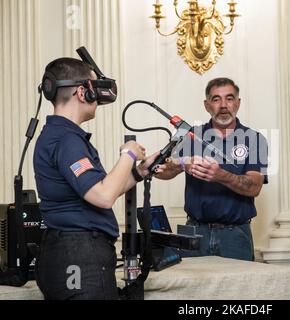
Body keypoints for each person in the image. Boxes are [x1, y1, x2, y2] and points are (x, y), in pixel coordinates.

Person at [33, 57, 157, 300]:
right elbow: (103, 197)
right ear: (83, 92)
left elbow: (97, 190)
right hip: (78, 254)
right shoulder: (67, 140)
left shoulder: (59, 135)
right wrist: (128, 153)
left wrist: (139, 172)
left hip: (71, 251)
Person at [156, 77, 268, 261]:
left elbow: (254, 187)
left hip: (235, 236)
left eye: (229, 98)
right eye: (216, 99)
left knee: (238, 289)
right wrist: (182, 163)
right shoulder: (191, 135)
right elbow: (160, 170)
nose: (223, 105)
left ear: (238, 103)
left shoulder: (254, 139)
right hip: (195, 232)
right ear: (207, 105)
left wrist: (221, 176)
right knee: (193, 289)